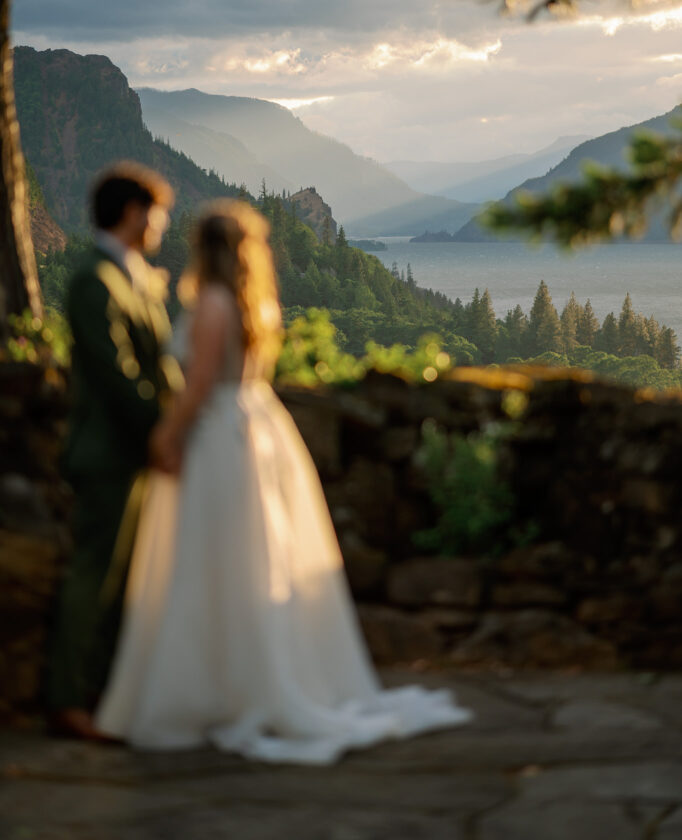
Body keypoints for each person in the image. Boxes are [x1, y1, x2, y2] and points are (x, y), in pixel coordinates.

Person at [96, 200, 471, 764]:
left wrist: (167, 436)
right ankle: (242, 676)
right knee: (253, 558)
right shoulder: (256, 303)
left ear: (206, 247)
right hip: (257, 426)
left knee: (211, 559)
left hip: (220, 433)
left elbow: (198, 385)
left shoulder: (215, 303)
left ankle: (220, 687)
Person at [47, 162, 183, 740]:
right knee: (93, 576)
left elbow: (158, 364)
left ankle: (104, 692)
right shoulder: (93, 280)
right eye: (157, 213)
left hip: (134, 451)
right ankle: (68, 699)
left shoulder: (130, 274)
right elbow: (116, 374)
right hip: (107, 452)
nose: (163, 224)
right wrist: (164, 429)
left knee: (124, 578)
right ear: (132, 213)